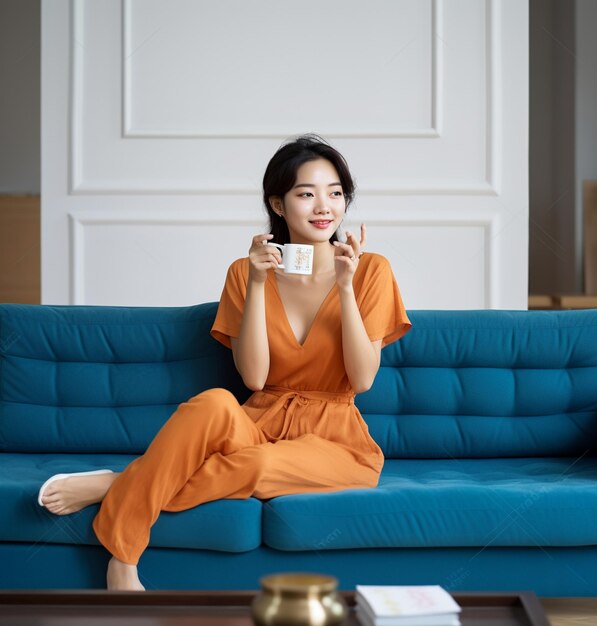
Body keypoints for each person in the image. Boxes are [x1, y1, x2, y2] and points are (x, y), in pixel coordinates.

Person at [37, 133, 413, 590]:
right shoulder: (244, 271)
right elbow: (255, 377)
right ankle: (128, 533)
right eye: (306, 193)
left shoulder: (370, 268)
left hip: (338, 445)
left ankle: (119, 500)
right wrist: (256, 283)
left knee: (257, 465)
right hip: (262, 418)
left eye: (335, 193)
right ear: (278, 203)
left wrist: (346, 286)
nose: (324, 207)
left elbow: (363, 377)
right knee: (214, 402)